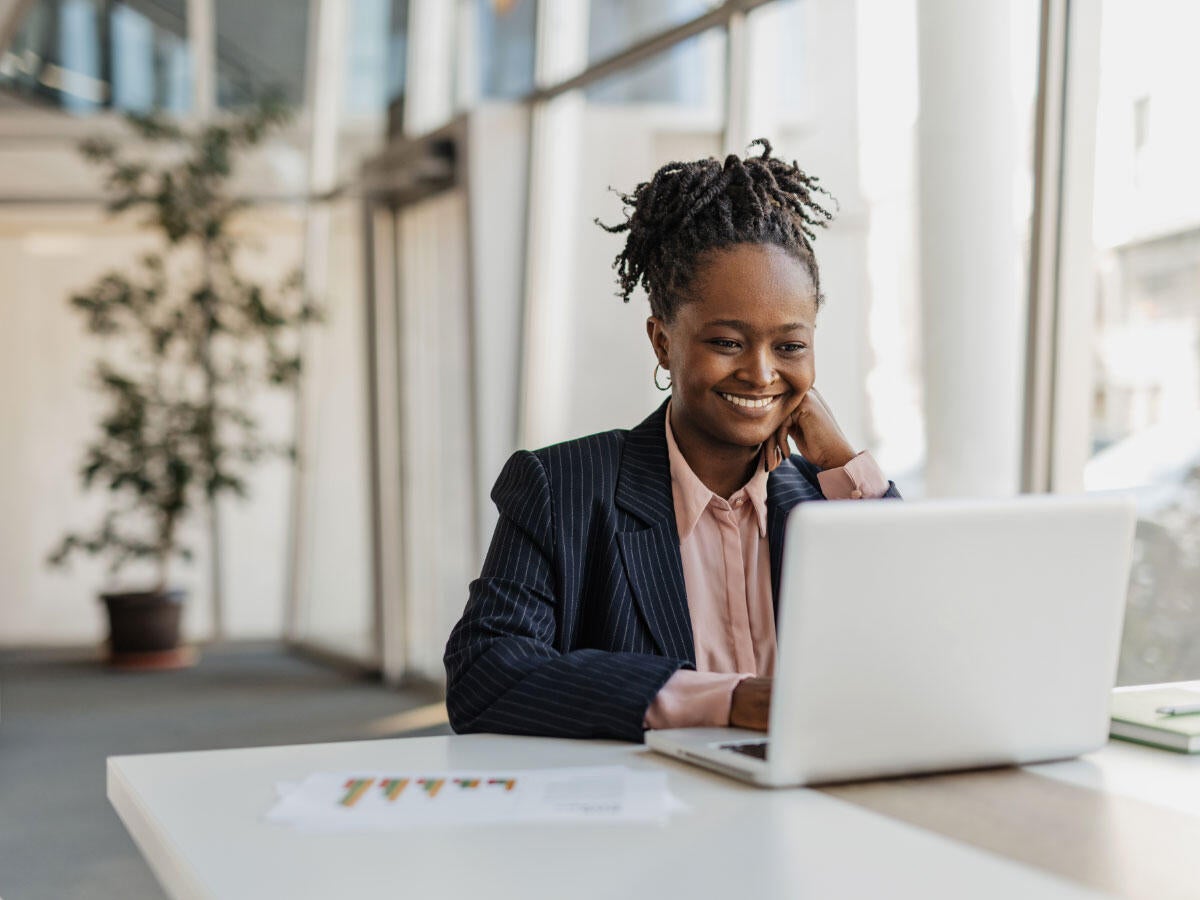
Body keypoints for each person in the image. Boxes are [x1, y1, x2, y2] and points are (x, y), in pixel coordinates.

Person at [444, 140, 900, 742]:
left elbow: (930, 636)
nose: (762, 373)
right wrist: (728, 700)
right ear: (662, 341)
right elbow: (484, 674)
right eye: (727, 343)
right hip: (649, 799)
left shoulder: (832, 498)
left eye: (790, 346)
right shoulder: (562, 489)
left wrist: (842, 461)